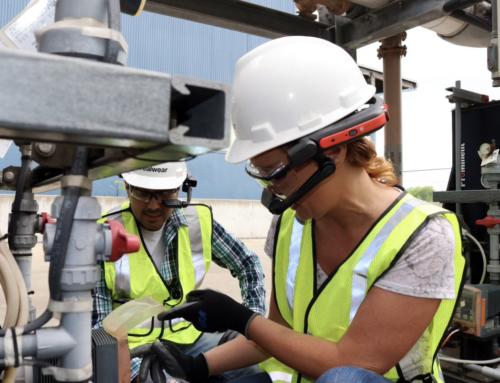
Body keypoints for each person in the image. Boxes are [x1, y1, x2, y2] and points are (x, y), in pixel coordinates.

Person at [145, 36, 465, 383]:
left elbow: (353, 363)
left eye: (275, 172)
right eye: (261, 174)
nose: (272, 189)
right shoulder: (291, 225)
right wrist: (198, 366)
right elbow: (277, 339)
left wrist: (242, 320)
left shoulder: (423, 237)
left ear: (332, 152)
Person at [92, 161, 266, 382]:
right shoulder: (103, 236)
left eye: (165, 193)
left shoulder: (196, 222)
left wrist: (252, 325)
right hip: (134, 347)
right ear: (127, 187)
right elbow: (101, 329)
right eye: (144, 193)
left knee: (250, 373)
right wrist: (144, 375)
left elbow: (247, 263)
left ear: (181, 188)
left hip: (191, 338)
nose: (154, 206)